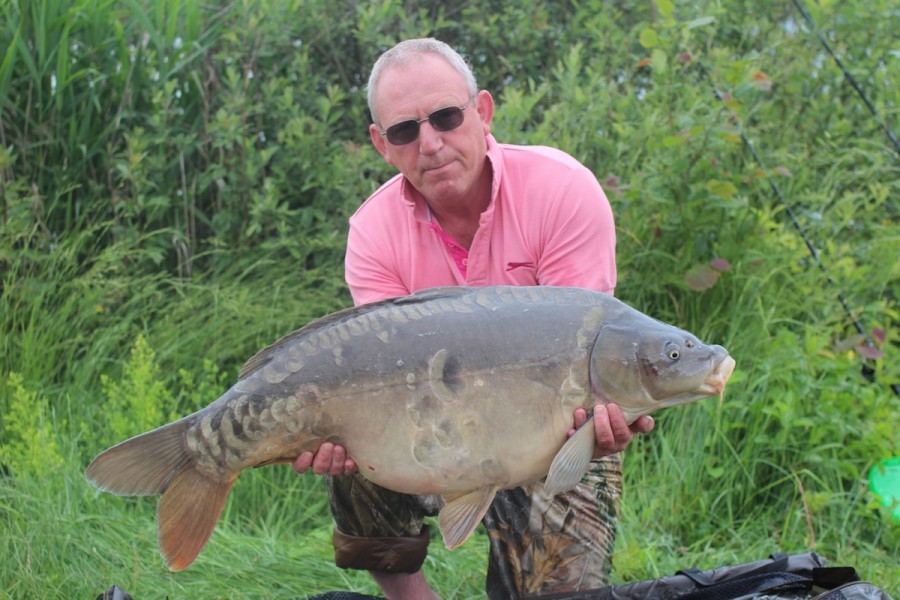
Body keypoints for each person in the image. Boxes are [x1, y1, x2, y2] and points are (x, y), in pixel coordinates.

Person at [293, 38, 654, 599]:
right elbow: (380, 383)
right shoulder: (373, 232)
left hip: (550, 437)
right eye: (404, 131)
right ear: (381, 145)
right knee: (355, 456)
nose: (430, 144)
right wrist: (336, 431)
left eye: (446, 117)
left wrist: (600, 423)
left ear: (482, 113)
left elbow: (587, 366)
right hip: (429, 436)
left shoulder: (562, 191)